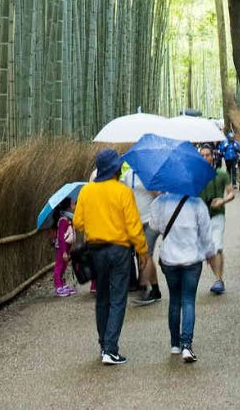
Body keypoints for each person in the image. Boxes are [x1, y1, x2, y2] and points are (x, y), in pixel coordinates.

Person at [73, 149, 148, 365]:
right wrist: (142, 251)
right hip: (119, 251)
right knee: (118, 299)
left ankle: (103, 344)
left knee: (102, 298)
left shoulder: (87, 191)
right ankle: (111, 348)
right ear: (115, 169)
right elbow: (134, 227)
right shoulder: (123, 192)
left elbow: (78, 222)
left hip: (96, 251)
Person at [146, 189, 214, 363]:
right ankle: (186, 345)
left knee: (174, 300)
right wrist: (209, 253)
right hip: (192, 259)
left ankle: (175, 344)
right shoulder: (198, 204)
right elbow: (206, 233)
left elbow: (154, 226)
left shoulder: (161, 202)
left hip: (169, 259)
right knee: (188, 300)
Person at [121, 165, 162, 305]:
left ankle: (144, 288)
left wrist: (153, 190)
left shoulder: (151, 172)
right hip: (135, 222)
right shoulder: (128, 175)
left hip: (151, 220)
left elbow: (161, 194)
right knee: (144, 255)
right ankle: (155, 289)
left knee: (146, 254)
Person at [198, 143, 235, 294]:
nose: (205, 157)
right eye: (202, 155)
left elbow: (231, 193)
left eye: (207, 155)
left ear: (212, 156)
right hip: (202, 217)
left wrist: (222, 200)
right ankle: (218, 278)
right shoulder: (196, 176)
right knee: (208, 251)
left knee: (217, 245)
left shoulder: (221, 174)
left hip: (218, 214)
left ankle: (219, 280)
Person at [52, 198, 77, 296]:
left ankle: (62, 283)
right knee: (59, 265)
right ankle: (58, 286)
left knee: (64, 265)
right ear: (67, 206)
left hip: (66, 247)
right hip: (61, 247)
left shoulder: (68, 219)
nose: (72, 205)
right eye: (71, 203)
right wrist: (64, 252)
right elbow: (61, 238)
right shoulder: (63, 220)